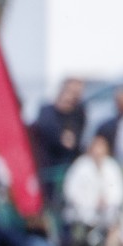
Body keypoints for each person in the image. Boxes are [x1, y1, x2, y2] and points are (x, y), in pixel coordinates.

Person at [62, 132, 123, 246]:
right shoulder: (81, 166)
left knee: (120, 219)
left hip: (107, 211)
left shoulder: (111, 166)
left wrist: (107, 201)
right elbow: (70, 192)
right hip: (84, 212)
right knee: (116, 221)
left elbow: (119, 192)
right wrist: (92, 202)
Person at [31, 78, 87, 212]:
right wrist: (61, 137)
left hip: (68, 168)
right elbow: (47, 129)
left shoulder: (78, 113)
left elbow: (75, 139)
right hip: (48, 166)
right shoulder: (46, 110)